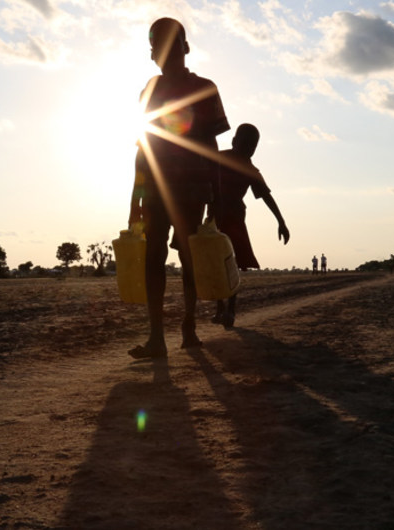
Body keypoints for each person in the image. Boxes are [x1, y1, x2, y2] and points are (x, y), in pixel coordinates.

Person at [127, 17, 230, 359]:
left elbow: (211, 146)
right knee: (154, 257)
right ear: (152, 53)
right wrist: (135, 199)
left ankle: (188, 325)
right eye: (158, 47)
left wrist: (214, 193)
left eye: (171, 46)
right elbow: (144, 147)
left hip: (192, 186)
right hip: (157, 186)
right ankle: (157, 337)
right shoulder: (149, 90)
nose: (164, 53)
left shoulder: (205, 87)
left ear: (186, 48)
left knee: (189, 258)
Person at [209, 124, 289, 328]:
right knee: (217, 265)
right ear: (235, 141)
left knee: (231, 266)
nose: (249, 149)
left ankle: (230, 310)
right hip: (215, 219)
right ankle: (221, 309)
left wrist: (281, 221)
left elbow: (266, 196)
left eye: (252, 146)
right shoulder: (217, 158)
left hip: (234, 219)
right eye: (246, 144)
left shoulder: (249, 169)